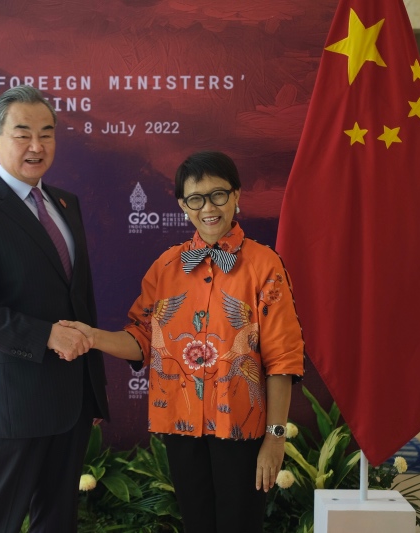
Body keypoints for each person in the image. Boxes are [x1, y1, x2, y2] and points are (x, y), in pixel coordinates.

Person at [62, 151, 304, 533]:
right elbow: (140, 339)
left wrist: (275, 439)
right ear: (183, 205)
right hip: (181, 426)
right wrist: (92, 338)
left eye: (218, 195)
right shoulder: (166, 267)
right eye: (196, 198)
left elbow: (283, 359)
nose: (208, 208)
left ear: (237, 195)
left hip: (241, 430)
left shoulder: (264, 264)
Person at [0, 85, 109, 533]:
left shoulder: (66, 204)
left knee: (57, 522)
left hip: (71, 399)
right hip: (15, 403)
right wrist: (47, 335)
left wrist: (92, 384)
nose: (37, 146)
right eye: (23, 134)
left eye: (47, 134)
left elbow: (80, 299)